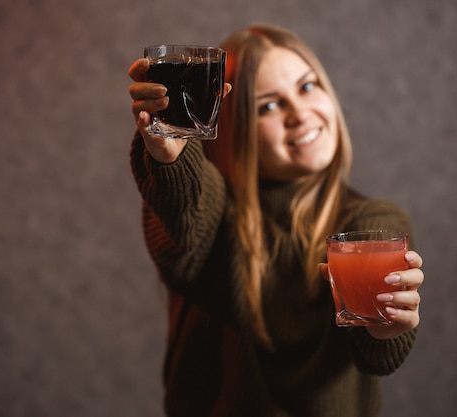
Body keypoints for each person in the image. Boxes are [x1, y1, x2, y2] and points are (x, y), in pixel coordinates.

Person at [128, 24, 424, 417]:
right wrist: (170, 155)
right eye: (268, 106)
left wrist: (385, 331)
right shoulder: (214, 211)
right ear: (232, 126)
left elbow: (377, 356)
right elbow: (185, 211)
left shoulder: (371, 223)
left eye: (306, 87)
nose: (300, 115)